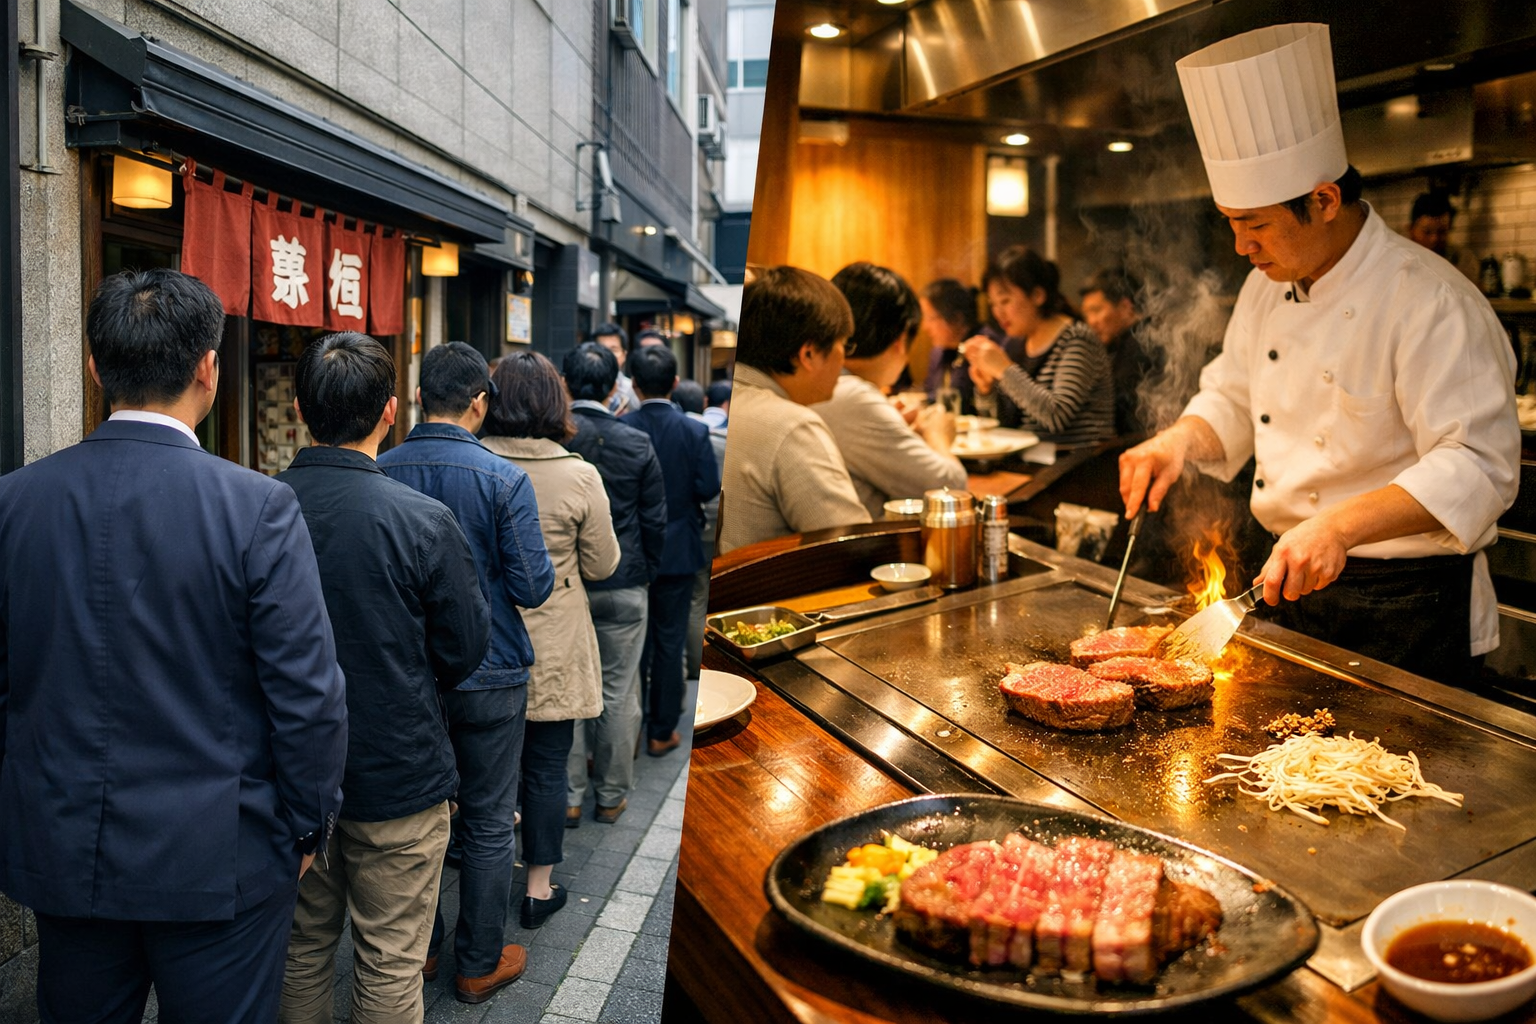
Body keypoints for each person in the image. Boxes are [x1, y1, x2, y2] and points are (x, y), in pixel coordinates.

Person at [1120, 22, 1518, 686]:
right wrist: (1179, 441)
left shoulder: (1432, 301)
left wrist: (1339, 524)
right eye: (1231, 224)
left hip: (1408, 607)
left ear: (1324, 200)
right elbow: (1235, 396)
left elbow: (1478, 465)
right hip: (1293, 585)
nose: (1242, 247)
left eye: (1255, 225)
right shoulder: (1265, 285)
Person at [0, 269, 347, 1023]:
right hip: (219, 849)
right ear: (208, 368)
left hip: (65, 844)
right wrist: (306, 825)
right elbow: (310, 697)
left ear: (95, 368)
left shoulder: (14, 502)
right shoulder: (256, 506)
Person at [279, 333, 491, 1023]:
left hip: (286, 774)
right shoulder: (422, 520)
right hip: (399, 769)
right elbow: (463, 649)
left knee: (301, 949)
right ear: (391, 411)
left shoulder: (256, 507)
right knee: (390, 960)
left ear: (301, 407)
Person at [376, 341, 557, 1003]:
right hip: (492, 667)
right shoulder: (504, 478)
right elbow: (534, 585)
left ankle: (419, 951)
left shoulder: (381, 468)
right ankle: (478, 961)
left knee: (417, 816)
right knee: (485, 819)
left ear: (421, 396)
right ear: (481, 401)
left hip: (409, 673)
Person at [482, 352, 620, 927]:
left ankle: (479, 873)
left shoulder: (475, 462)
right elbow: (604, 563)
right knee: (546, 766)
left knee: (486, 764)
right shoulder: (579, 472)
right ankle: (538, 888)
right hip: (556, 636)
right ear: (553, 403)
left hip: (486, 632)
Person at [561, 342, 667, 826]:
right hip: (626, 582)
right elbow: (654, 521)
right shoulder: (636, 440)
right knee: (619, 691)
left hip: (569, 585)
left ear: (565, 382)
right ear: (613, 386)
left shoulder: (557, 441)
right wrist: (648, 572)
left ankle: (569, 797)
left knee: (568, 692)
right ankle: (610, 797)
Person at [720, 266, 872, 553]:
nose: (845, 361)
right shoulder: (792, 426)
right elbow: (852, 548)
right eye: (844, 345)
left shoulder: (733, 400)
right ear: (809, 354)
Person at [623, 345, 722, 755]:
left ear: (633, 384)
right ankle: (661, 731)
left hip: (632, 547)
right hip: (679, 548)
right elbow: (707, 487)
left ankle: (626, 731)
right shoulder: (694, 431)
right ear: (676, 383)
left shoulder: (624, 426)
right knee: (669, 641)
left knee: (633, 643)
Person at [814, 262, 968, 518]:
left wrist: (893, 425)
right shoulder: (850, 395)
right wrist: (938, 435)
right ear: (901, 339)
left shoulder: (825, 385)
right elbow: (951, 490)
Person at [959, 246, 1116, 447]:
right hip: (1031, 461)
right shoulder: (1017, 343)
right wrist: (986, 390)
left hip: (1075, 466)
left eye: (1005, 301)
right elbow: (1005, 424)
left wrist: (1004, 370)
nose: (998, 312)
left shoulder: (1077, 339)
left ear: (1037, 295)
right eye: (993, 304)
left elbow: (1057, 417)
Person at [1080, 267, 1161, 437]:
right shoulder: (1117, 343)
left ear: (1125, 306)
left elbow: (1123, 407)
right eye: (1086, 314)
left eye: (1096, 310)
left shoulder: (1144, 343)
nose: (1091, 322)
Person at [919, 279, 982, 401]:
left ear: (957, 318)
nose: (925, 327)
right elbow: (930, 391)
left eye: (930, 318)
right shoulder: (938, 352)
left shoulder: (982, 347)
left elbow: (963, 397)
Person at [1406, 191, 1479, 283]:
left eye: (1442, 232)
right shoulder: (1401, 263)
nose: (1434, 238)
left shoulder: (1463, 259)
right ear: (1411, 230)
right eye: (1427, 232)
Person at [592, 322, 638, 414]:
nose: (608, 355)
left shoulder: (632, 389)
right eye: (602, 349)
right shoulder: (583, 388)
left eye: (613, 350)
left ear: (624, 355)